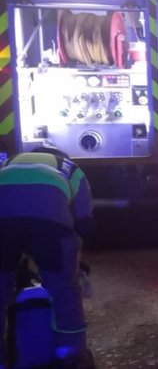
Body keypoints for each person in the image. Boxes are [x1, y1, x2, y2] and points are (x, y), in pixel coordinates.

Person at [0, 146, 94, 368]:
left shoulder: (7, 164)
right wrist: (76, 258)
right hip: (51, 224)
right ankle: (71, 354)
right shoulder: (71, 169)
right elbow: (85, 220)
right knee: (63, 289)